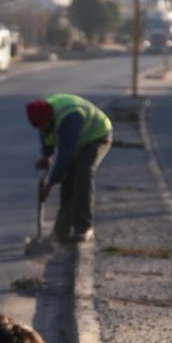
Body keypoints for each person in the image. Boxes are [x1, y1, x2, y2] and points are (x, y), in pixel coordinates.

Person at [25, 94, 113, 244]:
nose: (42, 129)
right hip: (78, 141)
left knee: (83, 174)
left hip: (97, 135)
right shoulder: (44, 118)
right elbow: (47, 136)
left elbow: (66, 155)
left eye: (44, 125)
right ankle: (60, 234)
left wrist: (49, 184)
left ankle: (85, 228)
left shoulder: (69, 117)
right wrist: (46, 156)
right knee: (67, 183)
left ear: (50, 118)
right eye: (39, 127)